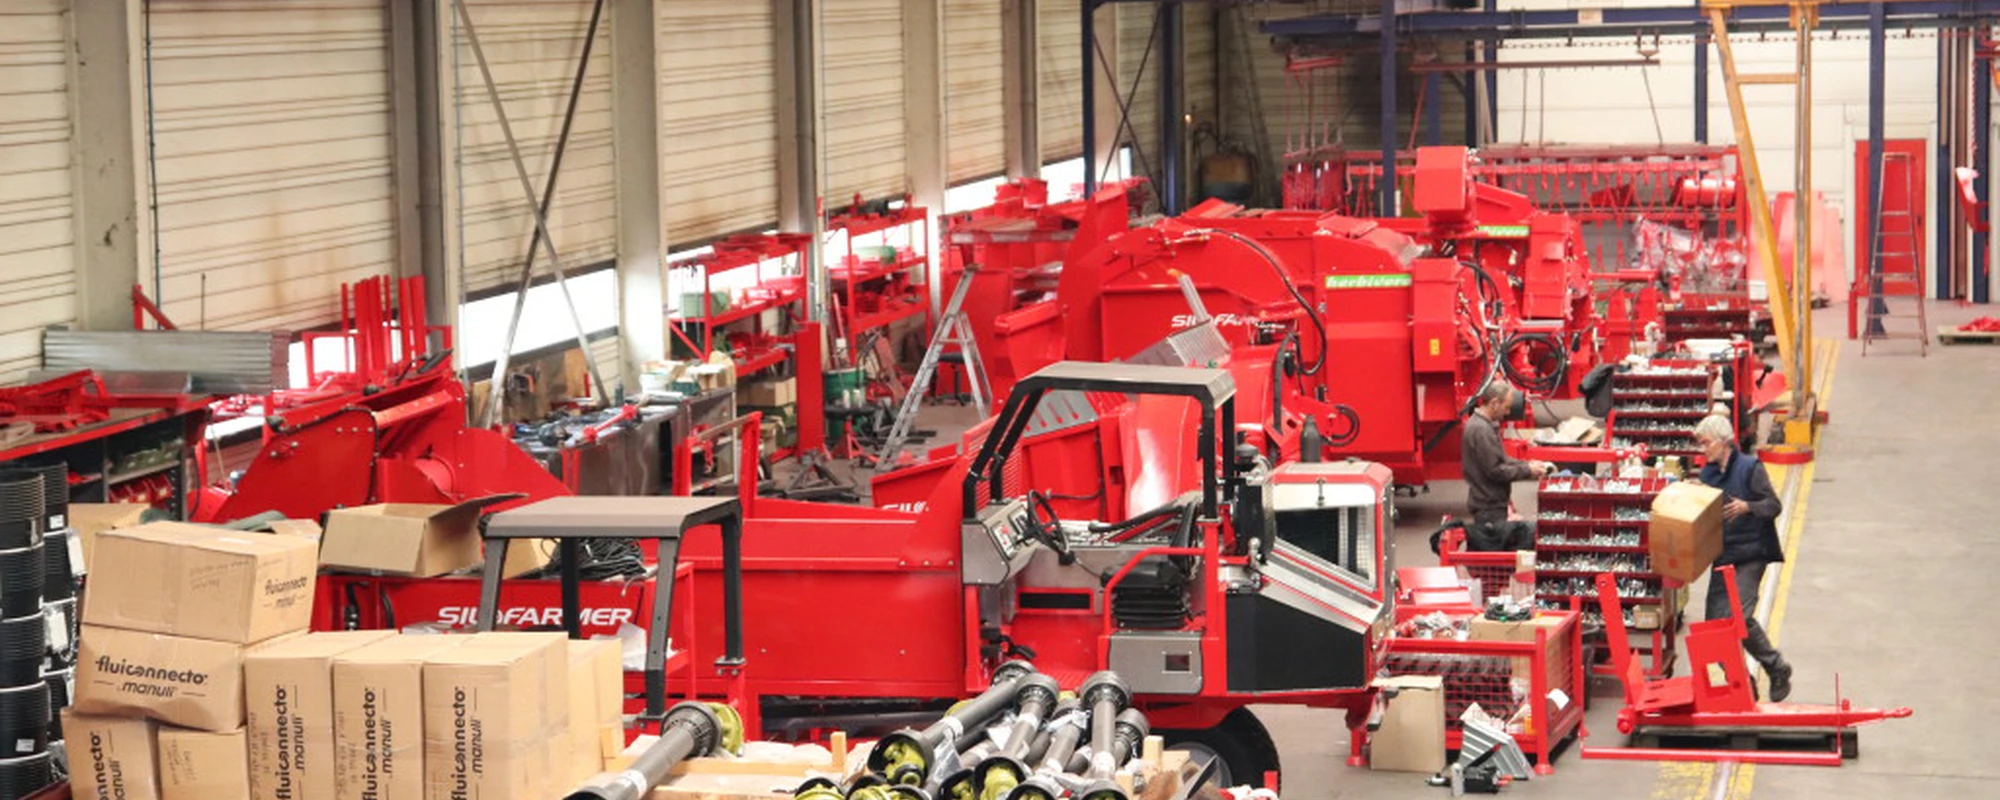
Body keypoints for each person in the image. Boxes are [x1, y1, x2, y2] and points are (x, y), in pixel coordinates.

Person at [1692, 414, 1794, 702]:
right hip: (1723, 553)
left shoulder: (1751, 468)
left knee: (1740, 617)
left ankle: (1776, 667)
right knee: (1713, 630)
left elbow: (1773, 505)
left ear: (1723, 441)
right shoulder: (1708, 475)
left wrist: (1747, 506)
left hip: (1751, 553)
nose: (1703, 450)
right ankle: (1742, 682)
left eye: (1706, 443)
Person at [1459, 383, 1551, 550]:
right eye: (1506, 407)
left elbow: (1500, 460)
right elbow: (1495, 470)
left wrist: (1528, 465)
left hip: (1489, 503)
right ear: (1494, 403)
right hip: (1488, 507)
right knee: (1494, 562)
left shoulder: (1484, 425)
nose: (1508, 413)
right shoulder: (1481, 430)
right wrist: (1527, 470)